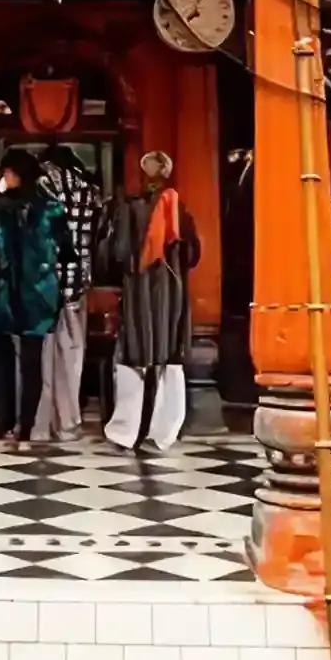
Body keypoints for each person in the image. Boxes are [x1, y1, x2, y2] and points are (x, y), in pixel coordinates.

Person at [97, 151, 200, 455]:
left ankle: (126, 431)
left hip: (140, 291)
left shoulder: (131, 209)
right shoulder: (180, 209)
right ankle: (164, 431)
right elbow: (193, 254)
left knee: (136, 358)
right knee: (169, 359)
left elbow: (117, 253)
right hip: (171, 292)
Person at [0, 148, 72, 446]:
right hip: (37, 295)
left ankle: (3, 421)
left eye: (6, 172)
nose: (4, 178)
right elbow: (66, 250)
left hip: (7, 293)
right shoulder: (52, 209)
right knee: (31, 364)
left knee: (1, 358)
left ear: (16, 174)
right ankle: (26, 428)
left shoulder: (0, 210)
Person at [31, 145, 101, 442]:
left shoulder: (42, 185)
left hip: (45, 282)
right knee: (72, 356)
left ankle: (41, 424)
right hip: (77, 282)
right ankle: (69, 424)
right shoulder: (89, 190)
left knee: (43, 359)